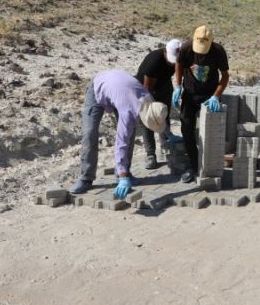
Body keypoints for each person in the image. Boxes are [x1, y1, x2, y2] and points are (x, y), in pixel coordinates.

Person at [69, 69, 168, 198]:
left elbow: (158, 115)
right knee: (90, 133)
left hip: (118, 90)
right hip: (97, 88)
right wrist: (123, 177)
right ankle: (86, 178)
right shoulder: (128, 112)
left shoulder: (150, 101)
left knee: (130, 134)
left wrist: (169, 134)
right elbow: (121, 142)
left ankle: (124, 172)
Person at [172, 25, 229, 183]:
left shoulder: (218, 51)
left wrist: (216, 96)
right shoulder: (186, 48)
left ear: (211, 41)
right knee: (186, 128)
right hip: (190, 94)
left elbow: (225, 76)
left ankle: (211, 164)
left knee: (212, 130)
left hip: (209, 95)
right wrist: (177, 86)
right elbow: (179, 64)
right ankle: (193, 164)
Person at [135, 38, 182, 169]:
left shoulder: (179, 57)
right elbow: (147, 90)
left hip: (164, 84)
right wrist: (150, 106)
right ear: (166, 52)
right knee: (149, 118)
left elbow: (179, 66)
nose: (174, 64)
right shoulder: (154, 61)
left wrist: (178, 86)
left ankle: (165, 141)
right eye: (172, 60)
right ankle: (151, 155)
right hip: (145, 88)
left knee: (163, 112)